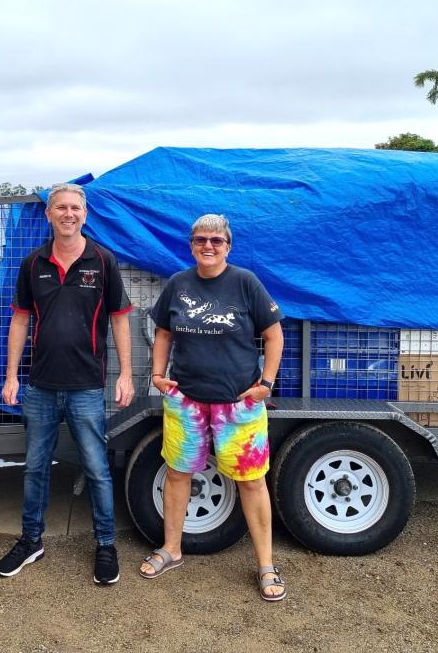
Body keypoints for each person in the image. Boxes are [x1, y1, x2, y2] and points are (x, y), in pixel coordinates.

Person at [140, 213, 287, 602]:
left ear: (228, 246)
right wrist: (158, 375)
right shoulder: (178, 283)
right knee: (177, 473)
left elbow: (274, 336)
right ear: (191, 245)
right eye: (201, 239)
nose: (208, 246)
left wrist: (266, 384)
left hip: (238, 405)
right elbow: (164, 332)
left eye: (216, 241)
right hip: (187, 402)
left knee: (252, 482)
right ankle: (172, 549)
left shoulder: (245, 283)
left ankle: (266, 565)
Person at [0, 183, 134, 585]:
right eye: (61, 208)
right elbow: (20, 319)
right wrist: (9, 377)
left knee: (96, 468)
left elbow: (120, 318)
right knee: (35, 467)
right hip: (40, 386)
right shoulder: (32, 263)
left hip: (87, 386)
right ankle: (31, 540)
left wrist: (124, 373)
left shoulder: (102, 261)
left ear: (84, 215)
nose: (68, 214)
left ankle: (106, 545)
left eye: (75, 208)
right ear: (50, 214)